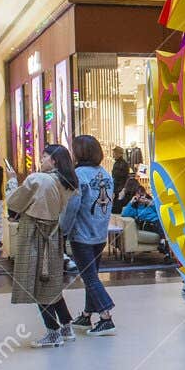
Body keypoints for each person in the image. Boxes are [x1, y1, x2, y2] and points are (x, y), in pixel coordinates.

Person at [8, 143, 80, 348]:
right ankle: (66, 326)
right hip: (54, 234)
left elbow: (15, 203)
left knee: (37, 283)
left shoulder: (38, 179)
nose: (41, 160)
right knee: (52, 283)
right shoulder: (68, 182)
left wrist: (12, 182)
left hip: (34, 234)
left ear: (54, 160)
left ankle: (53, 331)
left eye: (44, 156)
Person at [68, 135, 117, 336]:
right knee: (92, 275)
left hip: (82, 233)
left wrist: (63, 228)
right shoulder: (105, 173)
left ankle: (106, 317)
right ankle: (87, 314)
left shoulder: (78, 175)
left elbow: (72, 206)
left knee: (89, 277)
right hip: (100, 232)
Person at [110, 146, 132, 214]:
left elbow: (125, 176)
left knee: (117, 206)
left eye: (114, 153)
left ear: (119, 154)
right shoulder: (116, 163)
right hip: (116, 186)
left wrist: (123, 188)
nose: (113, 154)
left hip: (120, 187)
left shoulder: (123, 163)